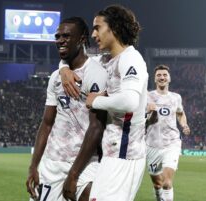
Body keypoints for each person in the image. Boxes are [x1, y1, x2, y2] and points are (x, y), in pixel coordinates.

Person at [59, 5, 148, 200]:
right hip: (112, 152)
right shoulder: (106, 60)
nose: (93, 34)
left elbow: (130, 101)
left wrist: (96, 100)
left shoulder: (131, 59)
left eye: (98, 27)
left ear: (113, 28)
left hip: (125, 153)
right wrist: (63, 69)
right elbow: (75, 59)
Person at [25, 16, 108, 201]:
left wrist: (73, 174)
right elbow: (46, 124)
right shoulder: (56, 77)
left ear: (82, 39)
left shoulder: (96, 74)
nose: (60, 40)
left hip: (85, 163)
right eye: (58, 36)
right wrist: (33, 166)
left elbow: (96, 127)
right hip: (52, 164)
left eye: (67, 36)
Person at [145, 64, 191, 201]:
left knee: (166, 183)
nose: (162, 77)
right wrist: (151, 116)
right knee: (157, 184)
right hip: (152, 144)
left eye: (165, 75)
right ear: (155, 79)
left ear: (169, 78)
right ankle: (159, 197)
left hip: (172, 143)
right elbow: (144, 122)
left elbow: (180, 113)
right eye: (159, 75)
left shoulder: (176, 97)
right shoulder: (148, 97)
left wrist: (184, 124)